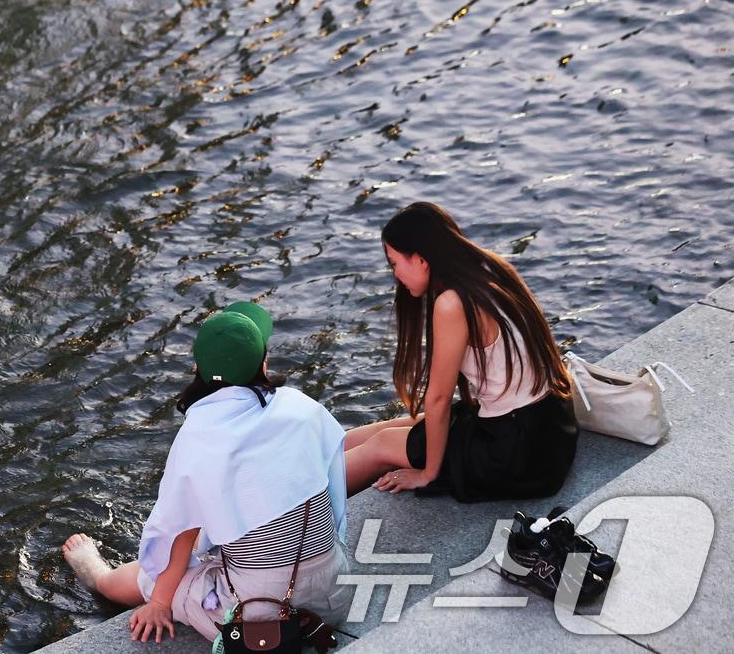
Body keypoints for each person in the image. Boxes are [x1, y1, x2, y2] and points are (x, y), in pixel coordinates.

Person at [61, 301, 351, 644]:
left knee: (154, 576)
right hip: (333, 594)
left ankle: (98, 577)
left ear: (196, 367)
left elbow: (180, 532)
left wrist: (159, 604)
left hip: (261, 618)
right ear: (264, 364)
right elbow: (329, 484)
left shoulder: (199, 437)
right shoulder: (301, 407)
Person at [345, 202, 578, 502]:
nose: (395, 275)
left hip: (517, 453)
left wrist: (427, 474)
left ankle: (297, 507)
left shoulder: (452, 303)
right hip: (551, 427)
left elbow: (439, 398)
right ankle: (302, 461)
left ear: (421, 260)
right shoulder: (490, 267)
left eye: (394, 263)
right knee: (393, 429)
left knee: (382, 445)